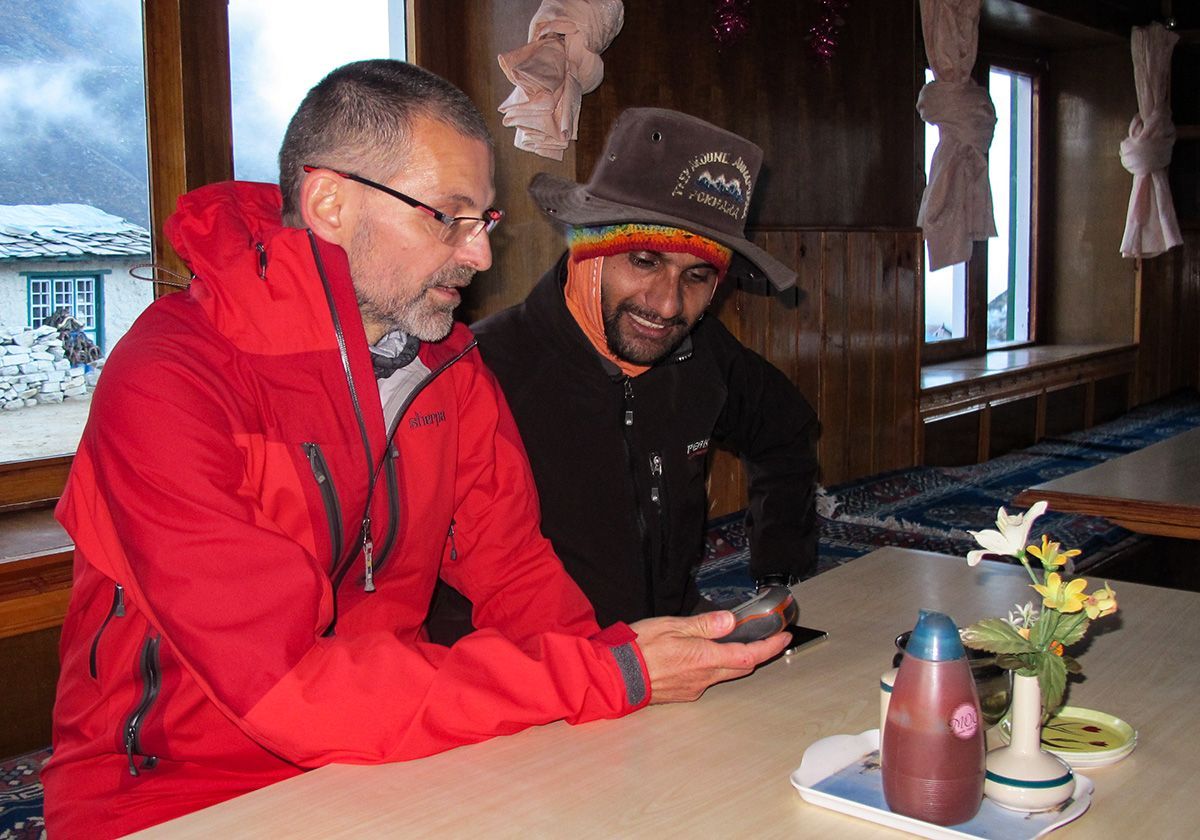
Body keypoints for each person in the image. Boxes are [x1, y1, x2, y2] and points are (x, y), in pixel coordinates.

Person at [42, 63, 788, 838]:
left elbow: (517, 574)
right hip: (172, 796)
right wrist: (606, 674)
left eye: (483, 222)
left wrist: (622, 682)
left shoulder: (448, 371)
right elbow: (286, 689)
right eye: (448, 218)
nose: (481, 258)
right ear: (329, 203)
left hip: (383, 763)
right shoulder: (171, 379)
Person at [440, 108, 819, 631]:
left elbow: (786, 428)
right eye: (643, 261)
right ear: (586, 252)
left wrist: (778, 572)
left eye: (696, 276)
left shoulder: (701, 351)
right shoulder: (482, 371)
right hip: (539, 669)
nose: (666, 306)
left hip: (672, 638)